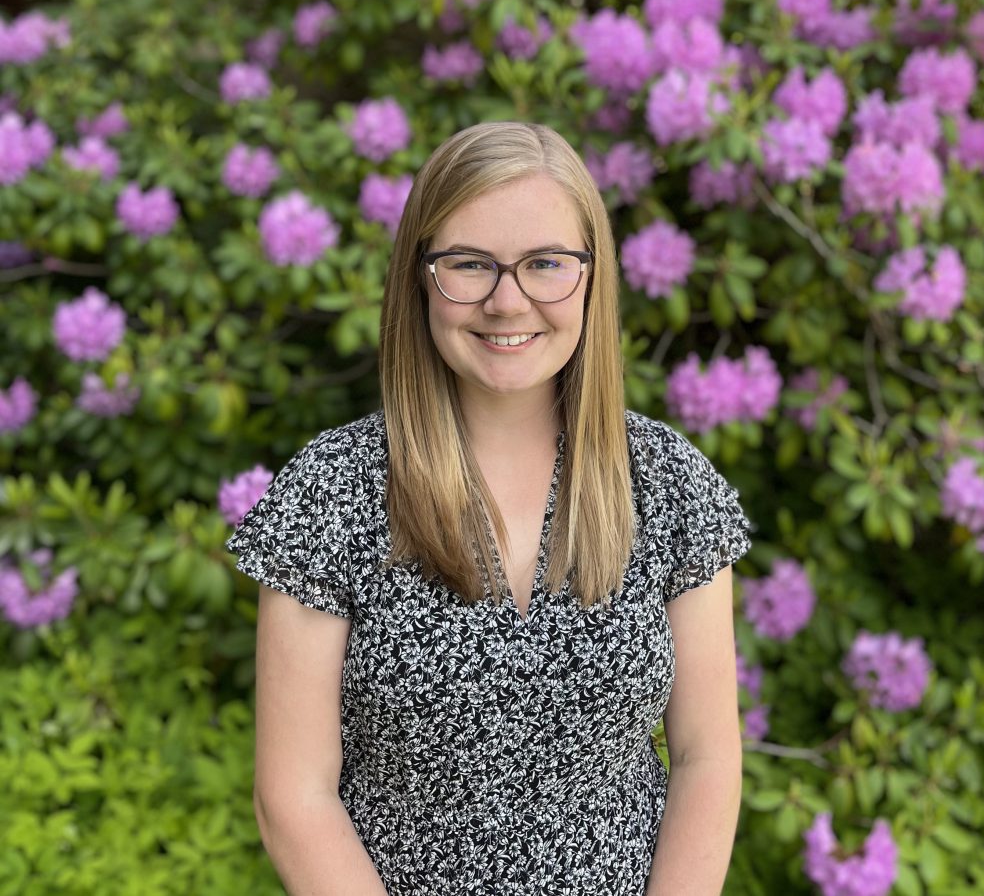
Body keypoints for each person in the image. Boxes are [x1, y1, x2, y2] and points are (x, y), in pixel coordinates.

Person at [225, 121, 753, 895]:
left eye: (545, 263)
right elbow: (293, 798)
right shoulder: (332, 492)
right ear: (419, 277)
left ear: (591, 277)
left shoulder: (670, 484)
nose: (508, 302)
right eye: (469, 264)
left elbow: (707, 757)